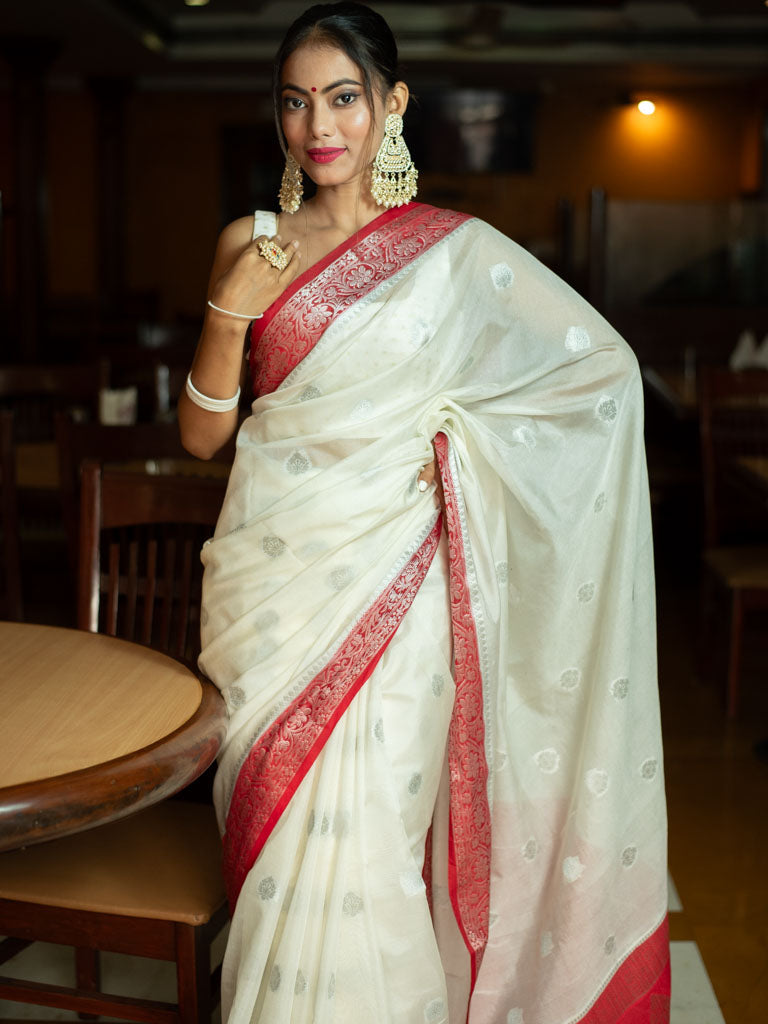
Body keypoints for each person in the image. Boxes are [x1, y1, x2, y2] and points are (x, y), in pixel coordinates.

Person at [179, 3, 670, 1021]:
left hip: (396, 599)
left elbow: (600, 371)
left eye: (345, 97)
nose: (320, 125)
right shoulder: (251, 239)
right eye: (297, 102)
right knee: (278, 850)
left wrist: (461, 457)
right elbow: (200, 436)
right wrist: (231, 305)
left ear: (391, 105)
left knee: (374, 853)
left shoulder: (452, 255)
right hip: (271, 593)